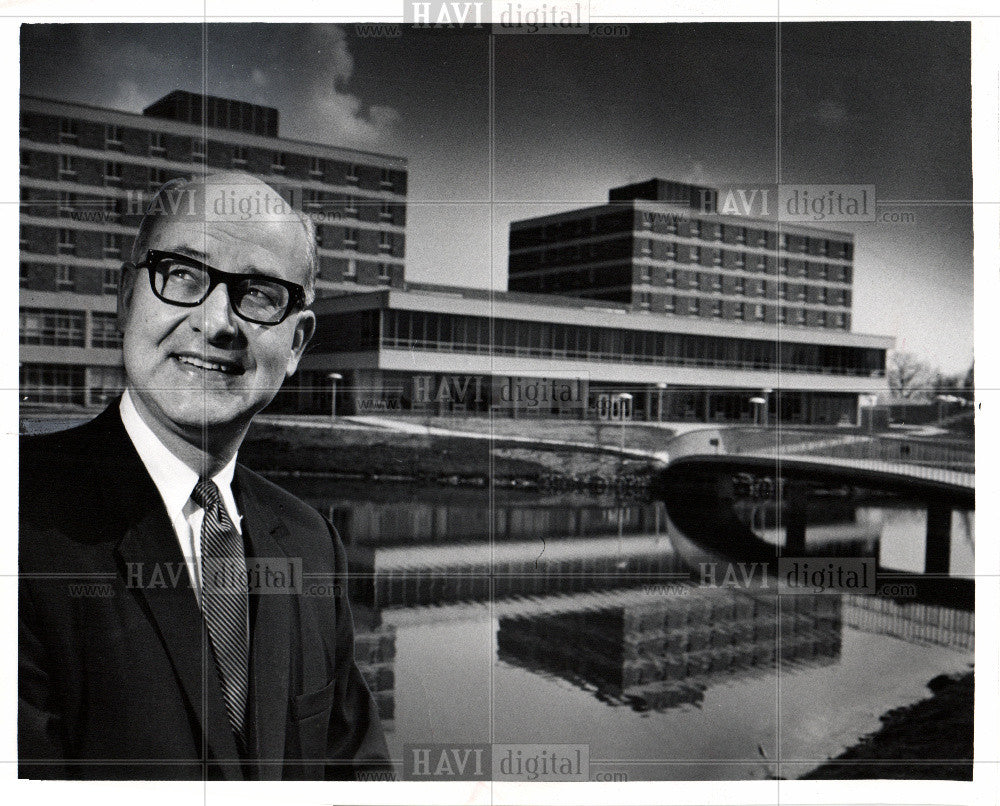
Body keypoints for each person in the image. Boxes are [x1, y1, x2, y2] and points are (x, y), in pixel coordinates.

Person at [19, 172, 391, 781]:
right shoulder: (21, 516)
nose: (218, 322)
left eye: (261, 294)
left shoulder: (310, 542)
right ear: (125, 297)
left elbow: (357, 770)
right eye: (184, 275)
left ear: (297, 344)